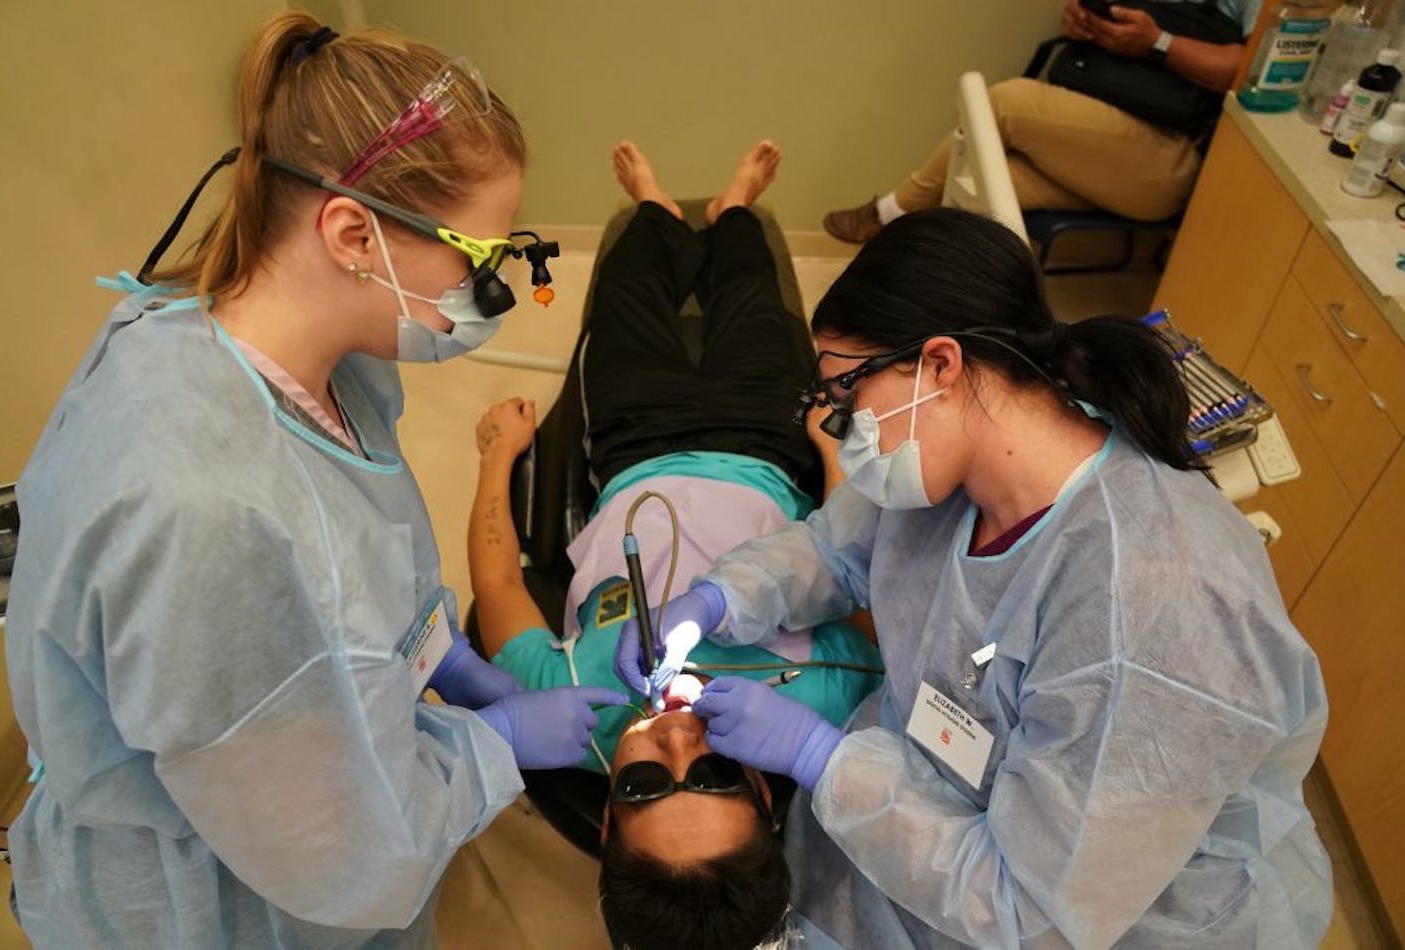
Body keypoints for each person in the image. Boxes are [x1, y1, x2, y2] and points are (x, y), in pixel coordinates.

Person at [3, 13, 622, 947]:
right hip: (225, 902)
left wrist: (442, 659)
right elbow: (343, 854)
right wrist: (497, 747)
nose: (489, 293)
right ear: (353, 234)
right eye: (477, 259)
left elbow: (362, 560)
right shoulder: (207, 516)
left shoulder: (293, 352)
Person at [617, 207, 1333, 947]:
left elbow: (1030, 910)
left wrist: (819, 757)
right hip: (932, 806)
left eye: (846, 395)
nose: (843, 428)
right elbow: (837, 551)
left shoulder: (1153, 606)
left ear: (939, 366)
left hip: (1089, 914)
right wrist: (715, 601)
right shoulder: (955, 461)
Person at [466, 141, 882, 950]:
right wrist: (829, 453)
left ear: (608, 816)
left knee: (626, 296)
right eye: (717, 775)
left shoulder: (571, 719)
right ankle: (733, 209)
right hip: (767, 443)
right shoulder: (826, 704)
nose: (679, 740)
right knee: (755, 302)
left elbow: (500, 588)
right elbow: (851, 566)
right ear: (767, 797)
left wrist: (496, 456)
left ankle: (653, 205)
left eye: (650, 782)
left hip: (632, 444)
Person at [822, 0, 1261, 243]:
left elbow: (1250, 67)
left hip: (1168, 159)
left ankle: (891, 212)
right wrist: (1090, 25)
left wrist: (1156, 42)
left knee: (1003, 101)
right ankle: (916, 282)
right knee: (982, 183)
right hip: (1105, 136)